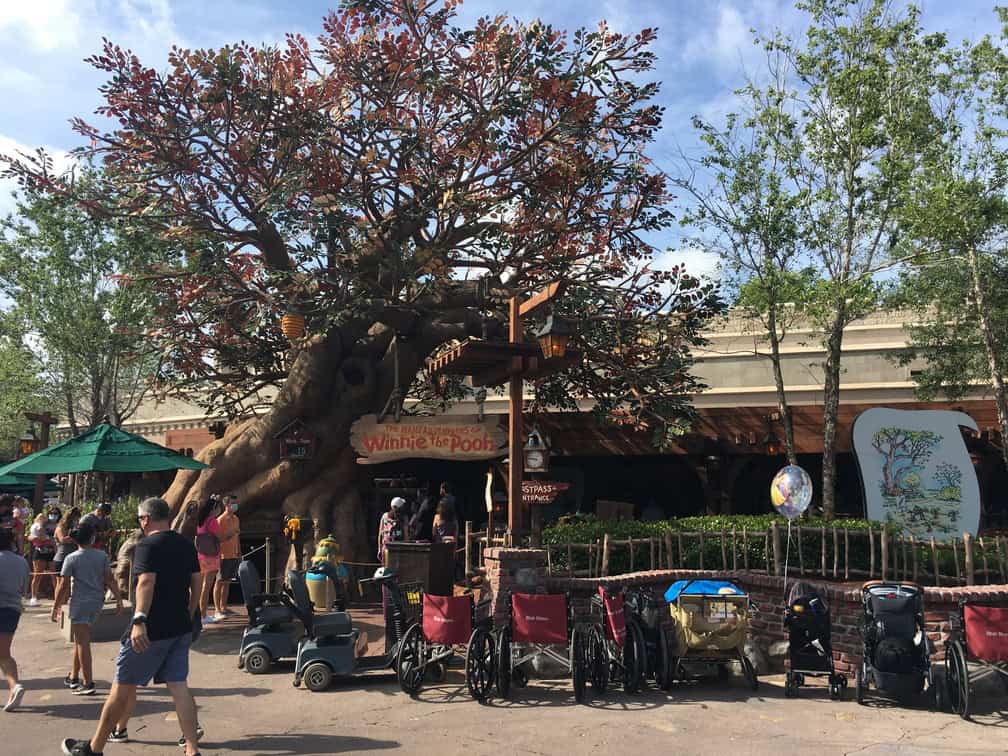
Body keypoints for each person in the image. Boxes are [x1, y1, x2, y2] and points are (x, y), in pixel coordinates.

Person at [61, 497, 203, 756]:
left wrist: (139, 619)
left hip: (151, 630)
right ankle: (192, 749)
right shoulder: (185, 543)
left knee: (122, 687)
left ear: (146, 519)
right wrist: (190, 612)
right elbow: (197, 581)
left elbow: (146, 582)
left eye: (139, 519)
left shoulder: (148, 545)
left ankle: (94, 748)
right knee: (179, 686)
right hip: (180, 627)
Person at [51, 520, 123, 695]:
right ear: (92, 538)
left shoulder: (71, 558)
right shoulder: (102, 556)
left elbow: (63, 585)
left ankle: (88, 682)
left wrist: (56, 606)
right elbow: (109, 579)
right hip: (97, 601)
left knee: (83, 642)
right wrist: (119, 599)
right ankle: (74, 676)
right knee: (80, 639)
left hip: (80, 602)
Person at [0, 527, 29, 712]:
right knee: (4, 653)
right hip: (12, 609)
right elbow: (25, 589)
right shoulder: (22, 562)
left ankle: (14, 686)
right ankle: (14, 686)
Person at [193, 499, 222, 623]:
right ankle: (203, 614)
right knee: (207, 586)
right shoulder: (212, 521)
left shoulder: (200, 522)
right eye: (217, 507)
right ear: (213, 508)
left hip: (201, 555)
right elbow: (219, 536)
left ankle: (197, 613)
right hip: (212, 556)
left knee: (199, 586)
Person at [212, 494, 240, 620]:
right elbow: (217, 539)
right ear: (226, 505)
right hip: (222, 555)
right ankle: (217, 609)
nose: (235, 505)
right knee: (219, 581)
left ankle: (224, 606)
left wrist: (238, 551)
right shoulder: (220, 520)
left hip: (233, 554)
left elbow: (237, 536)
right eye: (232, 503)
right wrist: (229, 535)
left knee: (228, 582)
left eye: (236, 503)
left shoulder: (236, 519)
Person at [28, 512, 56, 606]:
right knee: (37, 574)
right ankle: (33, 596)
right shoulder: (36, 526)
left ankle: (57, 596)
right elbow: (39, 537)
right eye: (41, 517)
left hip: (50, 552)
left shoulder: (51, 525)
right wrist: (47, 539)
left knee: (54, 574)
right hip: (40, 551)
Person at [377, 497, 406, 564]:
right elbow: (406, 536)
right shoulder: (404, 518)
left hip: (386, 548)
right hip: (399, 549)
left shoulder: (385, 516)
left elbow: (380, 534)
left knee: (386, 569)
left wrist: (379, 549)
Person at [52, 506, 79, 578]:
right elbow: (63, 540)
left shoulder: (74, 527)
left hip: (72, 558)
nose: (76, 520)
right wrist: (73, 536)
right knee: (61, 584)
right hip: (61, 558)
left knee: (68, 585)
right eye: (75, 518)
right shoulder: (60, 527)